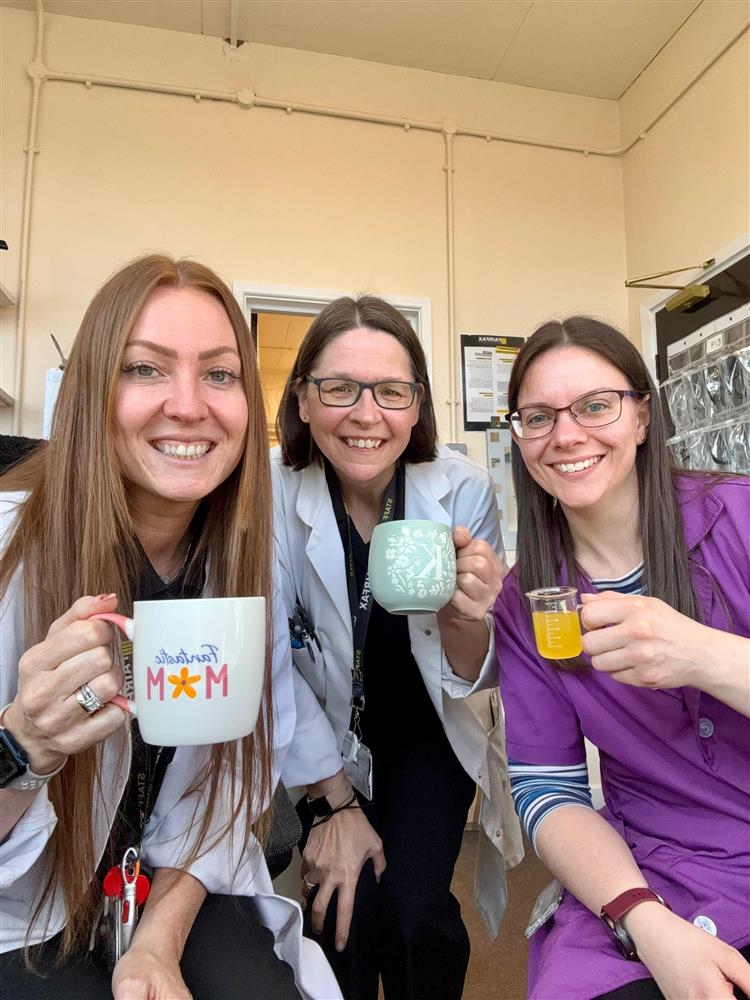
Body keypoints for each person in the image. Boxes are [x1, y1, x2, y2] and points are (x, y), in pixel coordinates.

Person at [0, 255, 341, 1000]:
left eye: (219, 374)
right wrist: (21, 746)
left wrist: (156, 945)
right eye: (145, 369)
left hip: (174, 878)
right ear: (93, 390)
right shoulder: (8, 548)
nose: (188, 406)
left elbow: (230, 789)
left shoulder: (245, 569)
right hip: (16, 902)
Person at [272, 295, 522, 1000]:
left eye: (391, 391)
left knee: (414, 913)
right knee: (341, 912)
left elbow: (473, 672)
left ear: (417, 405)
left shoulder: (461, 490)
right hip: (319, 735)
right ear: (303, 399)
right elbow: (270, 664)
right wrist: (332, 803)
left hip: (428, 732)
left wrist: (467, 614)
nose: (366, 414)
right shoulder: (268, 493)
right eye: (338, 388)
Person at [493, 315, 750, 1000]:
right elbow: (549, 792)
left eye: (595, 405)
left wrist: (703, 655)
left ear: (641, 416)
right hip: (655, 868)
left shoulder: (741, 517)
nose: (566, 435)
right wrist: (643, 918)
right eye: (538, 417)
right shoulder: (528, 603)